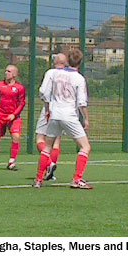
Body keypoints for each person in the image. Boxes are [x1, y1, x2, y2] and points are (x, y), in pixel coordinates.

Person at [34, 49, 92, 189]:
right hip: (69, 115)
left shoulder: (56, 74)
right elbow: (81, 102)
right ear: (80, 62)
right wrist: (86, 118)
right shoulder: (79, 78)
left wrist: (47, 109)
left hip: (55, 114)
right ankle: (77, 179)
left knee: (47, 147)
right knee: (85, 147)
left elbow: (45, 93)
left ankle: (38, 180)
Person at [35, 53, 67, 181]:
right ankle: (50, 173)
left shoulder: (51, 73)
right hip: (64, 109)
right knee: (56, 140)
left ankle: (49, 163)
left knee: (40, 137)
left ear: (55, 62)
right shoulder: (69, 75)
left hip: (51, 107)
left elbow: (43, 91)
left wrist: (47, 104)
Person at [0, 65, 26, 170]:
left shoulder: (19, 88)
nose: (6, 73)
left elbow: (22, 103)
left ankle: (11, 162)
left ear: (14, 74)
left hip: (13, 117)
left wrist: (14, 114)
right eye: (6, 71)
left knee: (16, 137)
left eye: (9, 71)